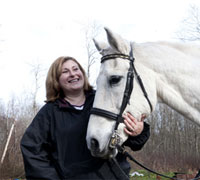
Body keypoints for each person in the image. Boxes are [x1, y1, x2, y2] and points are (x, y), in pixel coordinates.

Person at [20, 56, 150, 180]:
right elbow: (31, 149)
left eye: (76, 69)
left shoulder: (105, 101)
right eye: (65, 71)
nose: (72, 74)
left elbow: (133, 141)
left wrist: (138, 131)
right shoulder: (49, 112)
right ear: (56, 79)